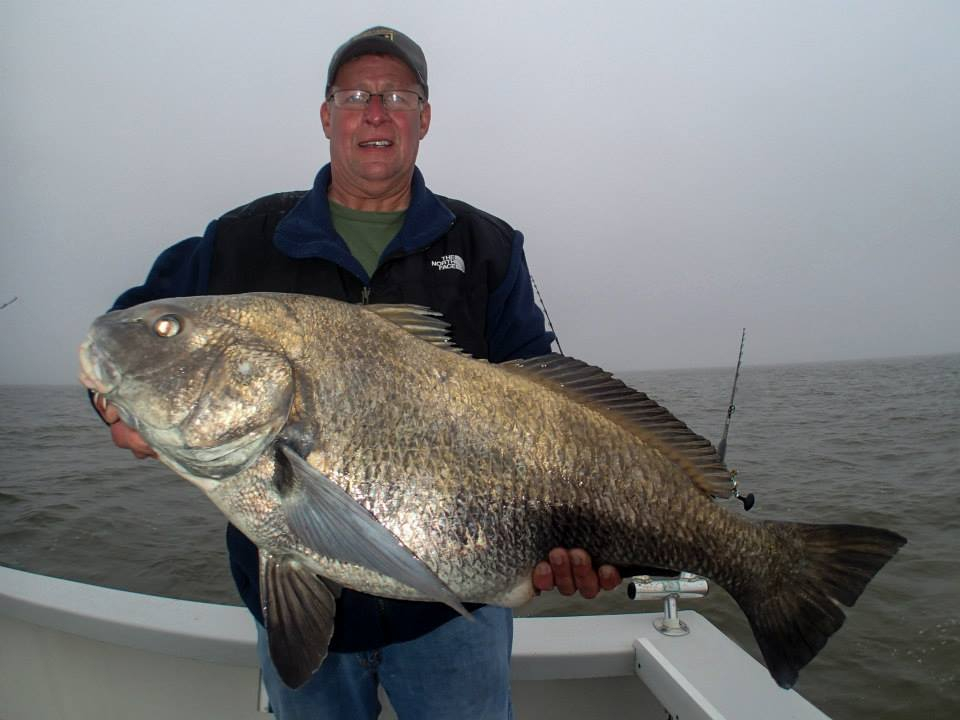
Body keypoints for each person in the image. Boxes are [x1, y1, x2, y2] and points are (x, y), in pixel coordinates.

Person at [93, 26, 621, 719]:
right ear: (327, 116)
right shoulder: (242, 239)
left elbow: (549, 396)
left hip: (453, 615)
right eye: (355, 96)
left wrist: (578, 533)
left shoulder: (487, 245)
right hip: (291, 599)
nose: (376, 112)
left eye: (397, 96)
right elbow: (127, 328)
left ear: (423, 118)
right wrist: (112, 406)